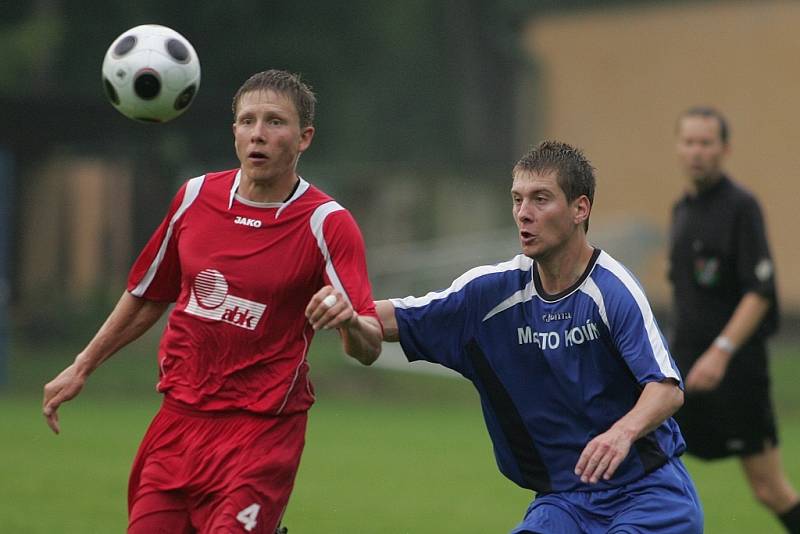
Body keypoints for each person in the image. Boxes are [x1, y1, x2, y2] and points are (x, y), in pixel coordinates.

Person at [42, 69, 383, 534]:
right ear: (234, 132)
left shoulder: (327, 223)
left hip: (261, 432)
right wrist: (82, 365)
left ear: (304, 138)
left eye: (275, 122)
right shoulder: (195, 197)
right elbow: (148, 294)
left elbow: (369, 347)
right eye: (247, 121)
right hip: (178, 424)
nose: (258, 135)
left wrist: (348, 322)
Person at [308, 140, 703, 533]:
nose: (524, 214)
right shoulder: (489, 295)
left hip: (647, 496)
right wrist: (345, 311)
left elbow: (666, 388)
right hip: (563, 502)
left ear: (580, 208)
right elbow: (390, 318)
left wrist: (622, 433)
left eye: (540, 199)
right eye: (517, 200)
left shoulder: (613, 290)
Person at [669, 106, 800, 532]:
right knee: (638, 462)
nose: (696, 152)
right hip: (682, 373)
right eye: (689, 142)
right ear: (678, 147)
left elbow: (760, 291)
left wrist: (721, 352)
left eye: (706, 143)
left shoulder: (741, 207)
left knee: (769, 489)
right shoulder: (681, 210)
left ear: (724, 149)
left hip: (735, 372)